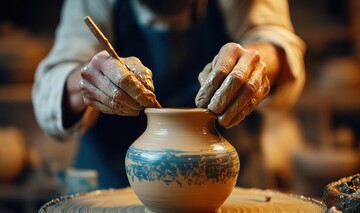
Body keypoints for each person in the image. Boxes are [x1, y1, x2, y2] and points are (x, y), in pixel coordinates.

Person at [32, 0, 305, 190]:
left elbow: (275, 36)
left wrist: (256, 64)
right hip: (116, 187)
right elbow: (54, 80)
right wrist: (89, 80)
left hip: (233, 188)